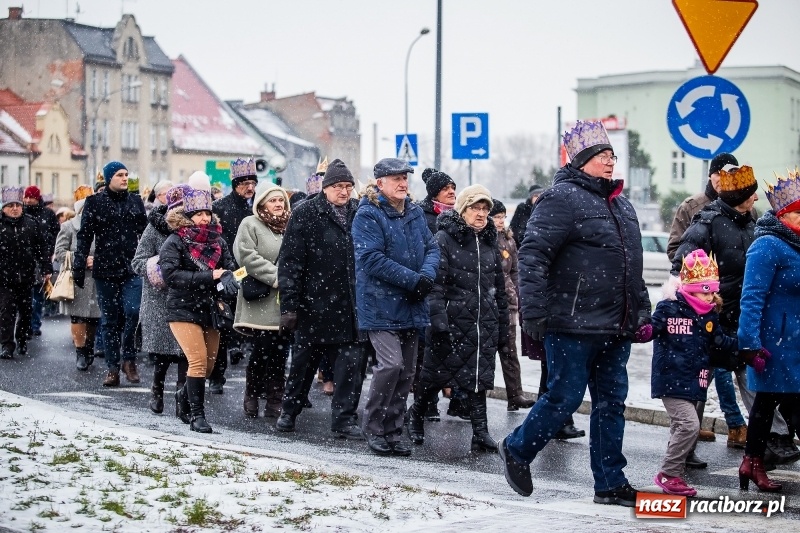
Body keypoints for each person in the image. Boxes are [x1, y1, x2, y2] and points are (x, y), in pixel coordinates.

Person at [499, 120, 651, 506]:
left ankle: (610, 482)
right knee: (563, 398)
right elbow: (533, 256)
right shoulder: (560, 198)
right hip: (571, 322)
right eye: (601, 156)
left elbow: (632, 266)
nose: (609, 161)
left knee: (611, 404)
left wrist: (641, 313)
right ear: (581, 159)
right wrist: (533, 311)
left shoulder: (622, 205)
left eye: (612, 155)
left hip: (616, 325)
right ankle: (517, 449)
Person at [672, 165, 800, 466]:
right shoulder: (708, 220)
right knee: (699, 383)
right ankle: (684, 446)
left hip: (744, 319)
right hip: (713, 316)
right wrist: (705, 295)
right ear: (740, 196)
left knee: (756, 386)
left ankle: (770, 443)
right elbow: (683, 260)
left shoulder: (752, 222)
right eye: (750, 192)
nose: (756, 197)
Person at [407, 185, 508, 453]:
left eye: (485, 209)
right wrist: (438, 320)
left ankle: (480, 432)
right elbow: (435, 284)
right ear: (463, 210)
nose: (481, 214)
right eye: (476, 208)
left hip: (481, 322)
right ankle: (415, 416)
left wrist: (502, 325)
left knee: (478, 377)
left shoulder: (489, 241)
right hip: (451, 321)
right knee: (434, 376)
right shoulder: (444, 238)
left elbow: (498, 285)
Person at [352, 157, 440, 456]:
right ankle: (374, 427)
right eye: (396, 179)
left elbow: (432, 247)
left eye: (405, 178)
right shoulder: (368, 214)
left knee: (406, 373)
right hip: (379, 304)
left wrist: (426, 276)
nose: (403, 183)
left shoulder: (414, 212)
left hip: (412, 302)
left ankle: (393, 429)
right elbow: (371, 259)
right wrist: (413, 280)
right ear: (380, 183)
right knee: (391, 365)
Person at [275, 159, 366, 439]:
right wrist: (289, 307)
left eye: (348, 187)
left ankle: (344, 420)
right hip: (313, 305)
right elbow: (290, 264)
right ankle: (288, 413)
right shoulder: (305, 213)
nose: (344, 192)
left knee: (351, 367)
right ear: (325, 188)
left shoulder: (359, 213)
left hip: (350, 306)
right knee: (303, 366)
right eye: (338, 186)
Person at [667, 152, 751, 448]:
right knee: (708, 369)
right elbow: (678, 248)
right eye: (720, 175)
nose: (723, 181)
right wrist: (698, 280)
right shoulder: (694, 207)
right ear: (712, 175)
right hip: (705, 301)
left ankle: (748, 432)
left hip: (735, 305)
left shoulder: (745, 211)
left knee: (733, 366)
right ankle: (699, 433)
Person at [650, 250, 737, 497]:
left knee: (681, 427)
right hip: (670, 377)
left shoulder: (709, 314)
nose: (710, 296)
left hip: (694, 380)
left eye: (712, 291)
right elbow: (651, 329)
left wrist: (746, 349)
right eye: (704, 291)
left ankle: (672, 475)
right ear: (689, 288)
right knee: (689, 425)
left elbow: (719, 341)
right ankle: (668, 473)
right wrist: (640, 330)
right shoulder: (669, 308)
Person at [736, 169, 800, 492]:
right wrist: (749, 343)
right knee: (790, 406)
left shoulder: (796, 244)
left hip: (795, 343)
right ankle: (753, 462)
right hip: (774, 345)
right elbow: (752, 296)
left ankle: (752, 462)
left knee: (764, 405)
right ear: (786, 213)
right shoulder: (768, 245)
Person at [159, 187, 237, 433]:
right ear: (188, 215)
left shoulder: (219, 240)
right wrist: (211, 275)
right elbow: (171, 275)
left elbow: (231, 268)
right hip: (182, 307)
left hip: (210, 307)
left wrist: (234, 278)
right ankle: (197, 416)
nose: (204, 218)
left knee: (210, 366)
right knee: (198, 361)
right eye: (199, 214)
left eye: (207, 213)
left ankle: (183, 394)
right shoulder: (175, 241)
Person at [73, 161, 147, 387]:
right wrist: (79, 263)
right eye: (119, 175)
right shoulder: (94, 203)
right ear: (108, 179)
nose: (125, 178)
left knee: (133, 312)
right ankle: (113, 367)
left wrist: (150, 260)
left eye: (126, 174)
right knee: (110, 319)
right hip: (105, 269)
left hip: (131, 268)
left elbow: (145, 234)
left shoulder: (135, 201)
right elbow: (85, 236)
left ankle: (129, 360)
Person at [233, 182, 292, 419]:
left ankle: (275, 397)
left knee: (280, 352)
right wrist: (278, 277)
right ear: (261, 203)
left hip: (284, 302)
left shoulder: (290, 226)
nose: (278, 204)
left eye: (281, 200)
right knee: (261, 351)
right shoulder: (250, 224)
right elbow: (246, 256)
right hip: (259, 300)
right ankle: (252, 393)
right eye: (273, 200)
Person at [131, 185, 189, 414]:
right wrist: (159, 268)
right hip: (159, 299)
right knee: (164, 353)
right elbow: (138, 261)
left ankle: (182, 395)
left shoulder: (197, 230)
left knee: (187, 351)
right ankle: (157, 388)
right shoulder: (153, 229)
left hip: (187, 297)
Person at [415, 167, 464, 420]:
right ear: (435, 193)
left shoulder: (457, 217)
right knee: (428, 349)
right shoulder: (422, 216)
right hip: (430, 288)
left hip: (454, 290)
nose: (452, 192)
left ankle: (458, 400)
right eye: (446, 189)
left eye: (453, 188)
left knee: (454, 346)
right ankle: (427, 402)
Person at [209, 161, 258, 394]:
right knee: (223, 324)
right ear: (236, 184)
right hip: (228, 271)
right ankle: (217, 375)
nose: (250, 187)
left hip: (252, 271)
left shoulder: (258, 207)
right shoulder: (220, 207)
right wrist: (225, 271)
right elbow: (216, 242)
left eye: (252, 183)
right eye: (245, 183)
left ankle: (256, 382)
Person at [488, 199, 534, 411]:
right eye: (496, 216)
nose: (500, 221)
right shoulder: (484, 239)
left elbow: (514, 272)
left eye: (502, 216)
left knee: (509, 352)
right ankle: (470, 399)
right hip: (487, 302)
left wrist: (516, 293)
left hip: (508, 303)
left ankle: (515, 395)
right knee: (484, 353)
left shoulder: (509, 241)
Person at [53, 185, 101, 370]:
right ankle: (80, 351)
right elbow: (59, 253)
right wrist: (80, 259)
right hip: (77, 279)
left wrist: (98, 260)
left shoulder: (102, 227)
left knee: (94, 318)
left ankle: (89, 347)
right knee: (78, 318)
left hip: (98, 278)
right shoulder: (68, 227)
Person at [0, 187, 52, 359]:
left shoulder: (31, 223)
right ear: (3, 208)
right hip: (5, 277)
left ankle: (21, 339)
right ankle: (7, 345)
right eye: (10, 205)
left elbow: (41, 248)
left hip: (27, 276)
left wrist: (46, 268)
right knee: (6, 311)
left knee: (26, 311)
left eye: (17, 205)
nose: (15, 208)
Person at [22, 185, 60, 338]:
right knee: (25, 295)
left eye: (32, 197)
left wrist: (50, 250)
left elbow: (56, 233)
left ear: (37, 198)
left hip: (41, 258)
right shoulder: (21, 213)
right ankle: (25, 324)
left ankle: (35, 324)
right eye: (27, 197)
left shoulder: (48, 214)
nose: (29, 200)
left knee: (37, 295)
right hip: (25, 259)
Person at [509, 183, 544, 249]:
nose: (538, 198)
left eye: (540, 195)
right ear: (531, 197)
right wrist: (521, 239)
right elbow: (513, 226)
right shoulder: (522, 208)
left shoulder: (544, 210)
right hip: (521, 246)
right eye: (536, 196)